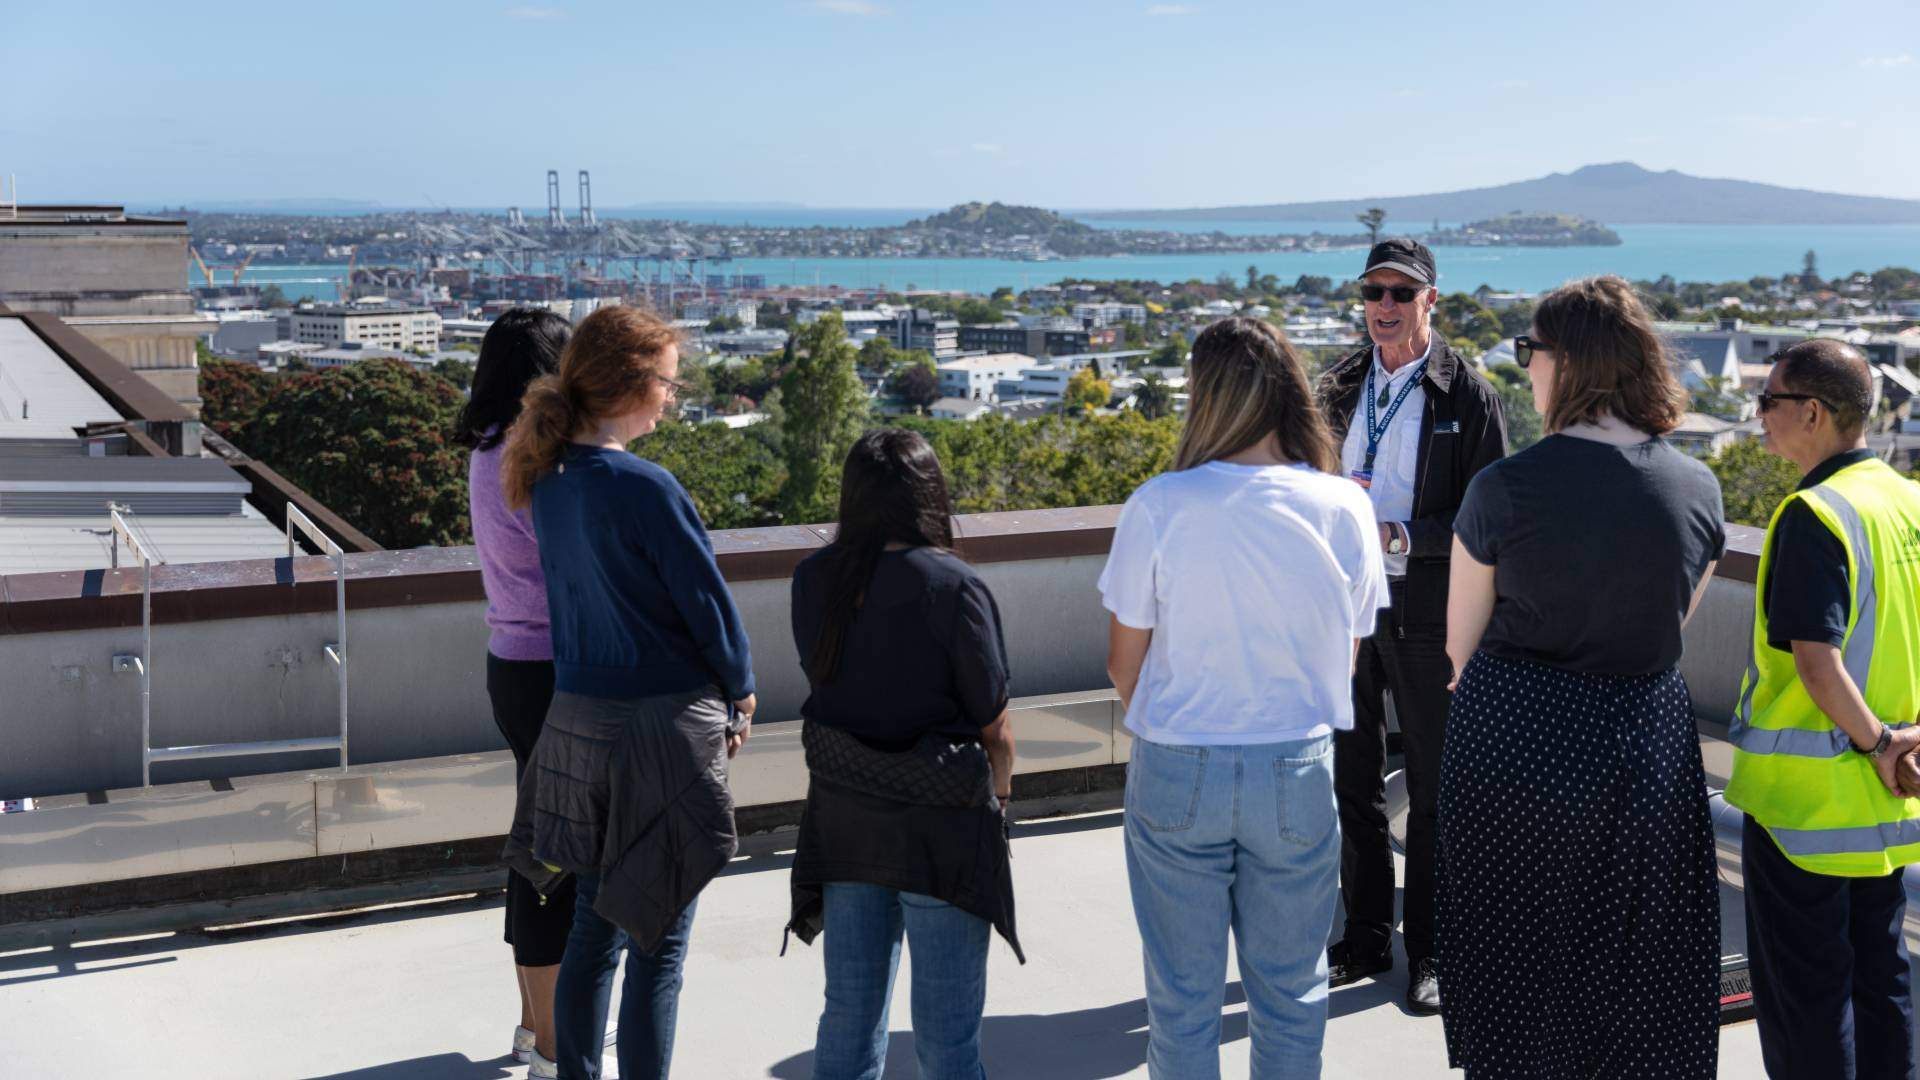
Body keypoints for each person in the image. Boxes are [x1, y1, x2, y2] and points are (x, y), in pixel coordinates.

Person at [1438, 275, 1725, 1078]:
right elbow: (1671, 625)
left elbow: (1460, 648)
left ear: (1569, 363)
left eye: (1531, 350)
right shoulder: (1698, 488)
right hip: (1646, 748)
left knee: (1516, 956)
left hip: (1516, 743)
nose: (1524, 365)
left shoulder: (1505, 487)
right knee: (1640, 957)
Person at [1101, 316, 1388, 1079]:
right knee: (1293, 997)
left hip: (1177, 765)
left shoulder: (1160, 504)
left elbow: (1123, 665)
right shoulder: (1343, 505)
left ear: (1205, 397)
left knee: (1183, 1004)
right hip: (1295, 767)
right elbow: (1347, 654)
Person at [498, 305, 757, 1080]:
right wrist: (740, 696)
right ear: (633, 384)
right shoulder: (645, 488)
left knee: (591, 932)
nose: (673, 398)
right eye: (670, 383)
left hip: (578, 723)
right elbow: (707, 608)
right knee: (658, 942)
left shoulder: (548, 481)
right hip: (660, 730)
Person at [785, 428, 1023, 1080]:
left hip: (846, 818)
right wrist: (1000, 796)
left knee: (850, 1016)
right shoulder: (953, 586)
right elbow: (995, 725)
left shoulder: (813, 579)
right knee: (947, 1036)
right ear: (930, 494)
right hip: (941, 828)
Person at [1315, 238, 1506, 1014]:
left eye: (1401, 293)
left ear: (1432, 300)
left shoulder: (1469, 395)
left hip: (1428, 611)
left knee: (1433, 791)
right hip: (1346, 610)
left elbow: (1488, 517)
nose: (1384, 307)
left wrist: (1400, 537)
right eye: (1374, 293)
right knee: (1351, 782)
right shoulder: (1336, 383)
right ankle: (1363, 938)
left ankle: (1430, 953)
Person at [1725, 338, 1920, 1079]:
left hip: (1807, 810)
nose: (1760, 416)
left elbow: (1816, 661)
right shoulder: (1908, 502)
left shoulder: (1814, 513)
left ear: (1811, 412)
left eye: (1768, 402)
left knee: (1807, 1000)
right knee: (1882, 982)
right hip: (1889, 804)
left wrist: (1875, 744)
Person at [455, 307, 574, 1075]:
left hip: (510, 661)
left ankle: (534, 1026)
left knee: (535, 847)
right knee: (556, 857)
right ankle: (554, 1043)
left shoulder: (485, 450)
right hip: (555, 669)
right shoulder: (535, 460)